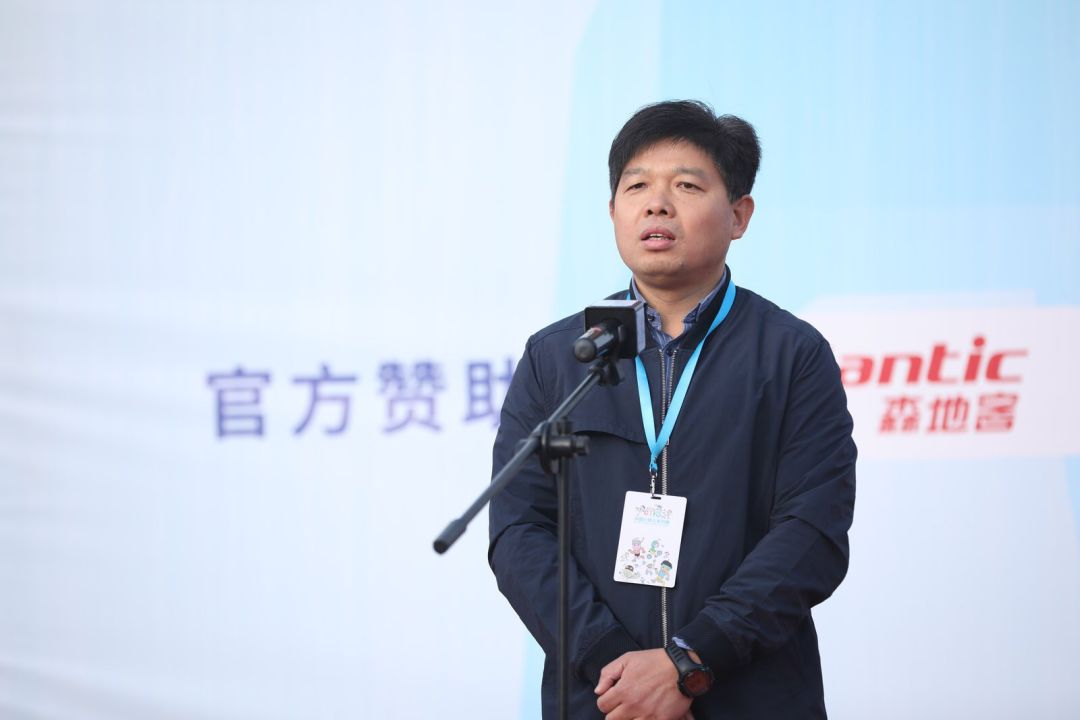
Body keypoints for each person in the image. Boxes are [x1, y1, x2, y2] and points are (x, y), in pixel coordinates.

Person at [488, 100, 856, 719]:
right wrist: (613, 664)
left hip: (750, 696)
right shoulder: (558, 357)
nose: (656, 204)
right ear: (613, 211)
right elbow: (519, 530)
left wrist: (689, 661)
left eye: (686, 185)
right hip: (603, 699)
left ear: (739, 215)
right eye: (637, 187)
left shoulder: (791, 355)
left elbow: (810, 533)